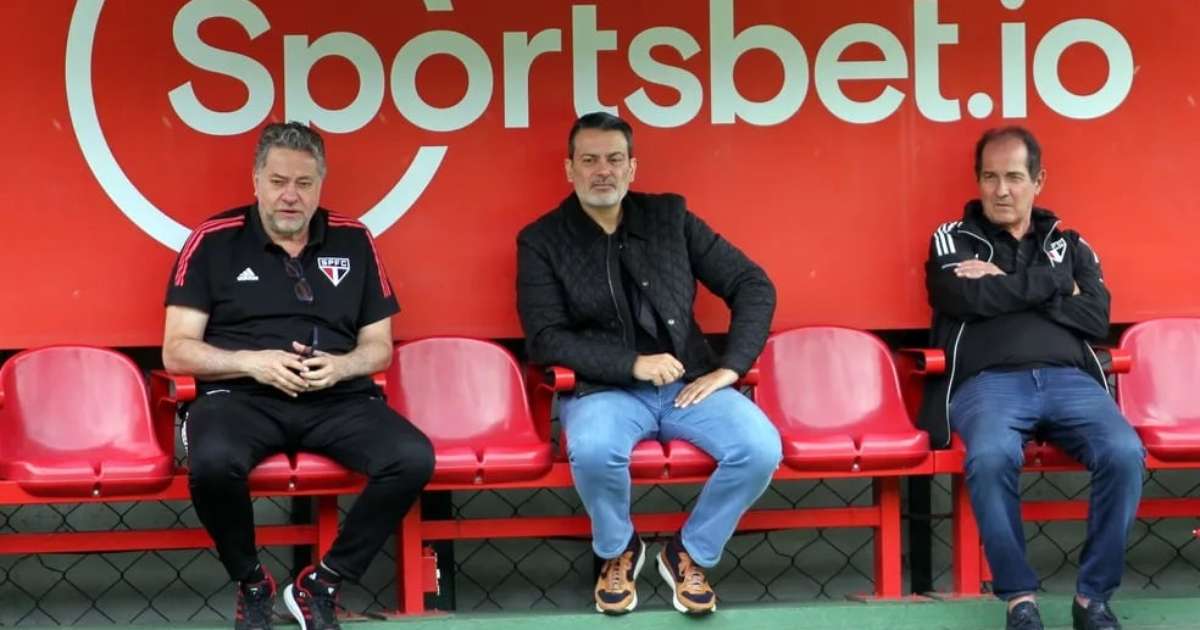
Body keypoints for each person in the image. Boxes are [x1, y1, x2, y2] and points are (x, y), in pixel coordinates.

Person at [162, 121, 435, 630]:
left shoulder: (354, 239)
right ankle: (252, 584)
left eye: (304, 183)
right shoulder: (213, 241)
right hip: (240, 396)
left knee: (412, 457)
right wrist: (252, 361)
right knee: (213, 464)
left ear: (320, 184)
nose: (290, 196)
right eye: (278, 181)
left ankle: (322, 584)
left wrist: (341, 366)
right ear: (256, 181)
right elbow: (176, 350)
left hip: (336, 396)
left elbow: (379, 347)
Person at [516, 112, 782, 615]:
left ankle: (689, 553)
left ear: (632, 167)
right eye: (589, 160)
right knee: (594, 450)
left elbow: (753, 285)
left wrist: (731, 367)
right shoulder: (542, 239)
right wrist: (632, 363)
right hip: (604, 390)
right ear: (569, 168)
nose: (603, 171)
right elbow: (546, 338)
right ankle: (618, 550)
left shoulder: (669, 218)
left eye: (614, 159)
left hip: (688, 385)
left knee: (759, 447)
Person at [920, 126, 1144, 630]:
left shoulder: (1070, 244)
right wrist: (1055, 286)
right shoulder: (952, 238)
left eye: (1014, 177)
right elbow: (963, 299)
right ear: (978, 181)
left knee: (1124, 452)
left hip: (1071, 381)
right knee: (991, 457)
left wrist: (1005, 283)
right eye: (990, 177)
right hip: (988, 384)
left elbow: (1095, 317)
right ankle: (1020, 601)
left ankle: (1093, 600)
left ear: (1038, 181)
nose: (1002, 190)